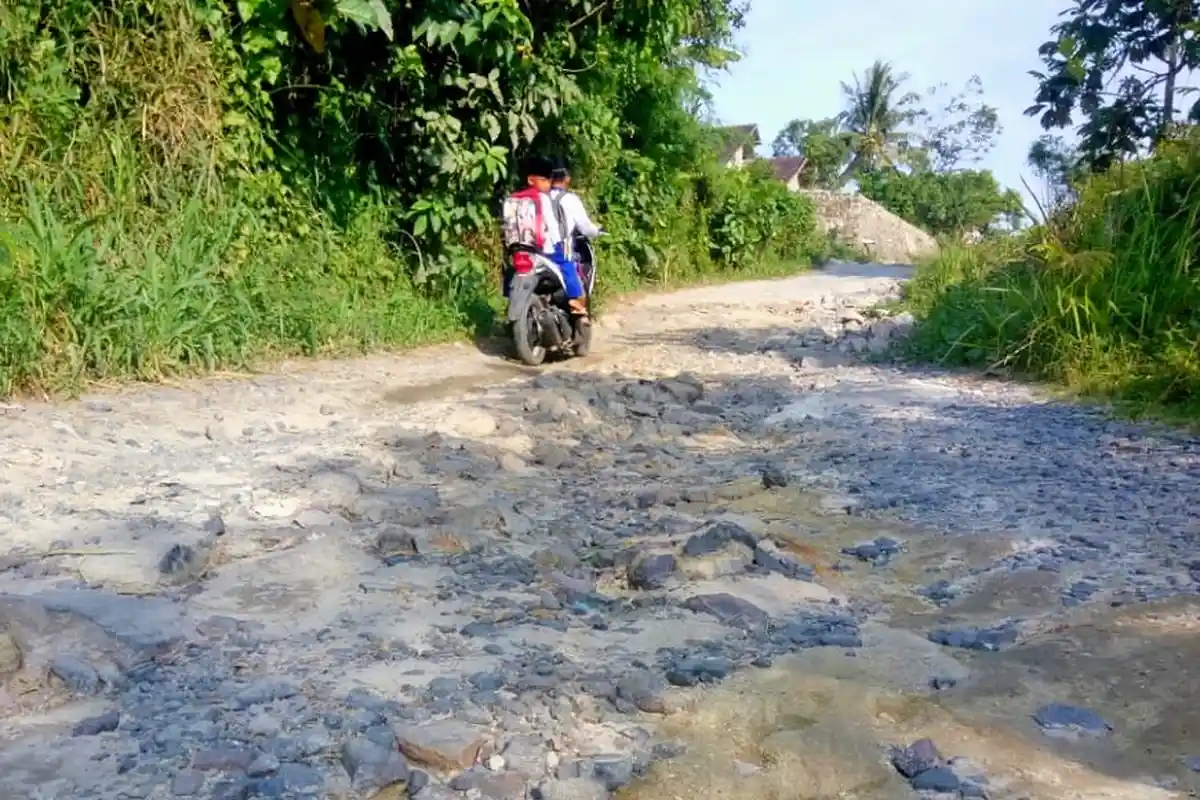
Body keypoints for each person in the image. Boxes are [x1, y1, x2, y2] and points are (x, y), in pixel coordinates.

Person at [499, 155, 589, 320]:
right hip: (543, 249)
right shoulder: (542, 198)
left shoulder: (511, 199)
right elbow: (552, 228)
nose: (548, 184)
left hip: (517, 248)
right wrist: (559, 244)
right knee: (567, 264)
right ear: (531, 180)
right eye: (545, 180)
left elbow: (506, 225)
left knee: (510, 270)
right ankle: (577, 302)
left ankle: (508, 298)